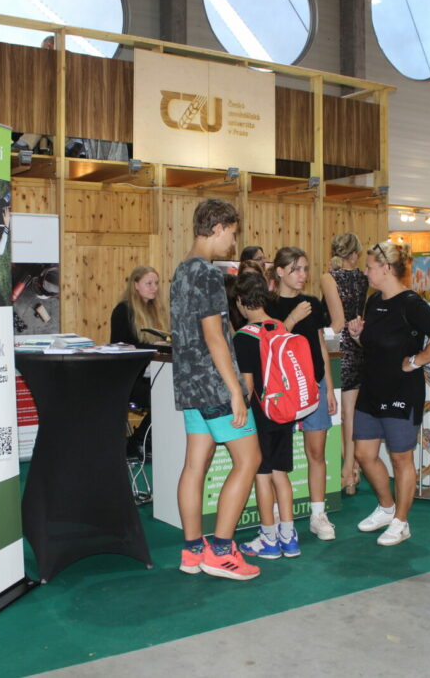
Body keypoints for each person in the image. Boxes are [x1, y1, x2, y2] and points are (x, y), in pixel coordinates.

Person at [171, 198, 261, 580]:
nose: (233, 242)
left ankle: (193, 551)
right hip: (214, 384)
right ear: (218, 227)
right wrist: (236, 391)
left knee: (195, 466)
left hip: (189, 384)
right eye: (233, 233)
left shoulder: (181, 270)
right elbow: (214, 336)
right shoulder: (207, 274)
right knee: (249, 460)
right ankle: (221, 552)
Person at [347, 242, 430, 546]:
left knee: (400, 458)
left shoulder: (411, 303)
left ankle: (401, 522)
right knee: (363, 455)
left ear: (386, 269)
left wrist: (416, 361)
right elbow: (373, 345)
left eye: (370, 267)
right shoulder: (373, 301)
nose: (366, 272)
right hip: (371, 389)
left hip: (402, 392)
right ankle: (386, 508)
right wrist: (358, 336)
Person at [266, 246, 338, 540]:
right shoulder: (267, 304)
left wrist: (328, 387)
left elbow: (320, 345)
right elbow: (267, 345)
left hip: (314, 385)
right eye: (295, 269)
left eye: (305, 269)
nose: (302, 274)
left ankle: (318, 514)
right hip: (281, 389)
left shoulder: (312, 303)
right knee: (277, 456)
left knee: (317, 452)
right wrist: (292, 319)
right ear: (279, 271)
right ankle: (275, 514)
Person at [233, 272, 301, 560]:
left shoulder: (243, 337)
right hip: (284, 412)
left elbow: (247, 386)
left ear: (240, 301)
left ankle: (269, 539)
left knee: (262, 476)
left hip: (260, 416)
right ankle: (289, 537)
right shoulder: (280, 327)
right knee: (280, 474)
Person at [320, 232, 369, 494]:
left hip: (339, 348)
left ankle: (348, 472)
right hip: (358, 345)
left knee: (338, 414)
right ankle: (350, 472)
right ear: (355, 254)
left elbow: (337, 323)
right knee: (350, 414)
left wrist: (319, 340)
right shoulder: (363, 277)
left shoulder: (329, 278)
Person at [110, 266, 168, 346]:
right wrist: (152, 347)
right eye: (149, 283)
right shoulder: (123, 310)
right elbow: (119, 346)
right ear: (136, 285)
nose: (155, 288)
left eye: (156, 283)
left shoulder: (157, 310)